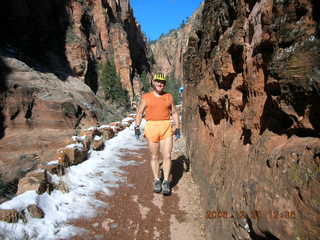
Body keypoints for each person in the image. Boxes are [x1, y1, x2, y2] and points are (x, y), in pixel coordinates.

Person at [134, 73, 180, 195]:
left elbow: (174, 113)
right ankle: (156, 180)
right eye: (158, 81)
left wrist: (178, 127)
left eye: (162, 82)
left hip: (166, 127)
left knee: (167, 156)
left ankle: (165, 181)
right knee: (154, 156)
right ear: (153, 82)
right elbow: (139, 112)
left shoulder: (169, 96)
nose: (160, 84)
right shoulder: (147, 97)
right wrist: (137, 126)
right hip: (151, 127)